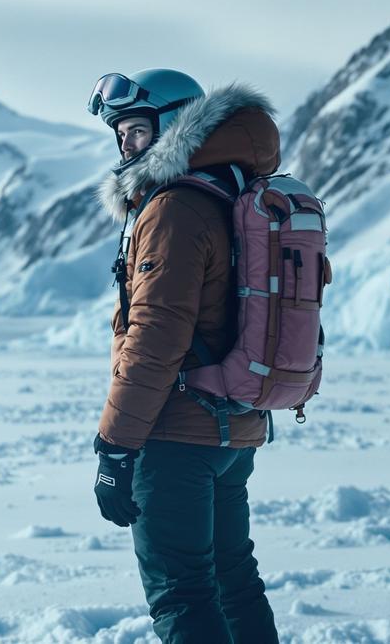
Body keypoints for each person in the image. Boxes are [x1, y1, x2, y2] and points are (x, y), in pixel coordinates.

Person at [86, 68, 281, 644]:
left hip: (176, 435)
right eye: (120, 134)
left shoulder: (174, 207)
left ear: (175, 127)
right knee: (232, 581)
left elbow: (155, 334)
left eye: (139, 131)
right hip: (233, 429)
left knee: (183, 593)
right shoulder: (231, 191)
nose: (126, 146)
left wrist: (115, 448)